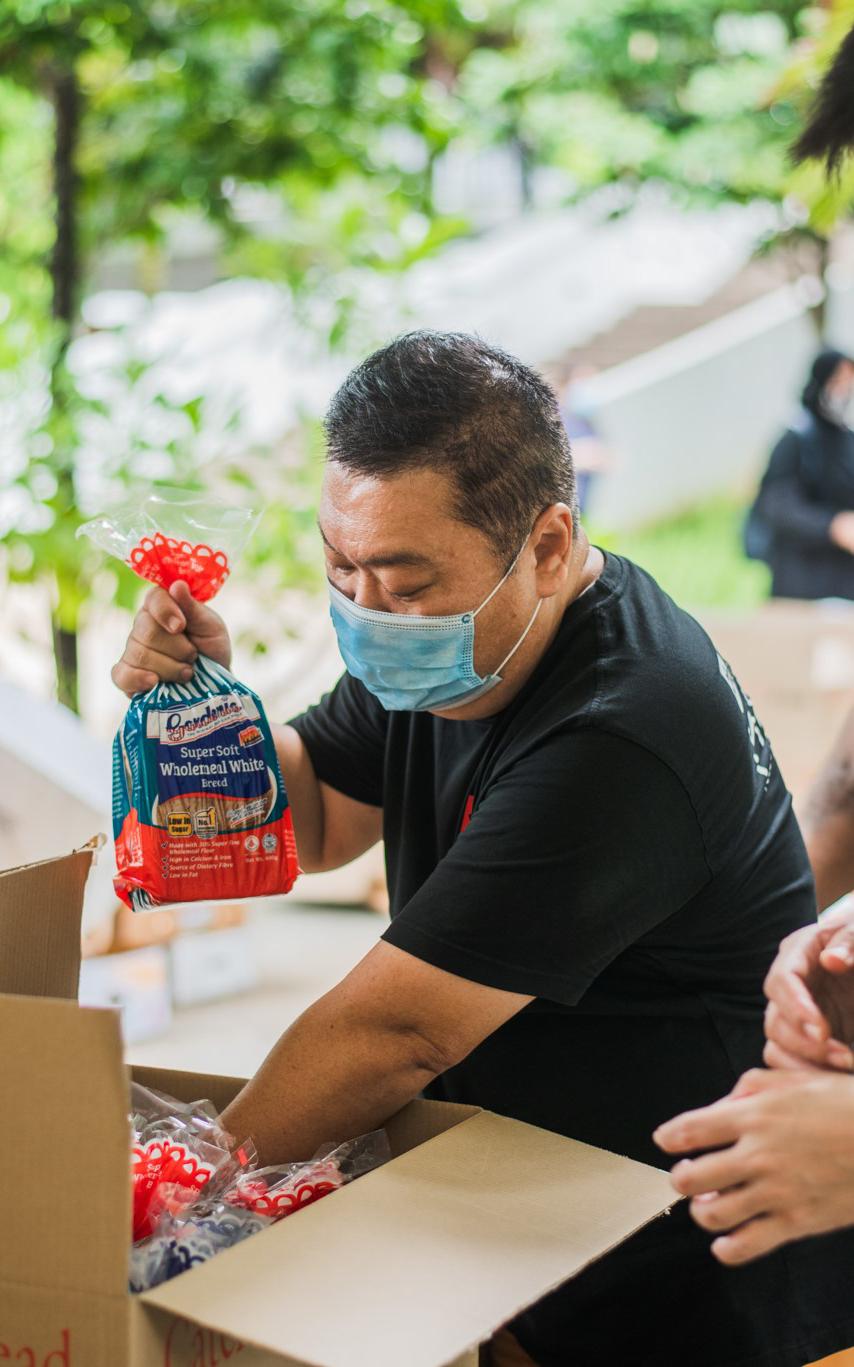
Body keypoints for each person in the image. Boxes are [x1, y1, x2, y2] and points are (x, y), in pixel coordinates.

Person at [112, 331, 854, 1367]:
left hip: (692, 1264)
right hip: (535, 1214)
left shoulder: (621, 728)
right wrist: (210, 723)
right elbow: (321, 816)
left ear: (546, 546)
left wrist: (164, 1214)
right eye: (340, 566)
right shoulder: (459, 651)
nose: (367, 612)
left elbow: (392, 1033)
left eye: (403, 581)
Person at [748, 348, 854, 600]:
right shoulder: (796, 440)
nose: (845, 392)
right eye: (838, 381)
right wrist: (833, 526)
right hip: (801, 581)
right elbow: (777, 507)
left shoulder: (847, 440)